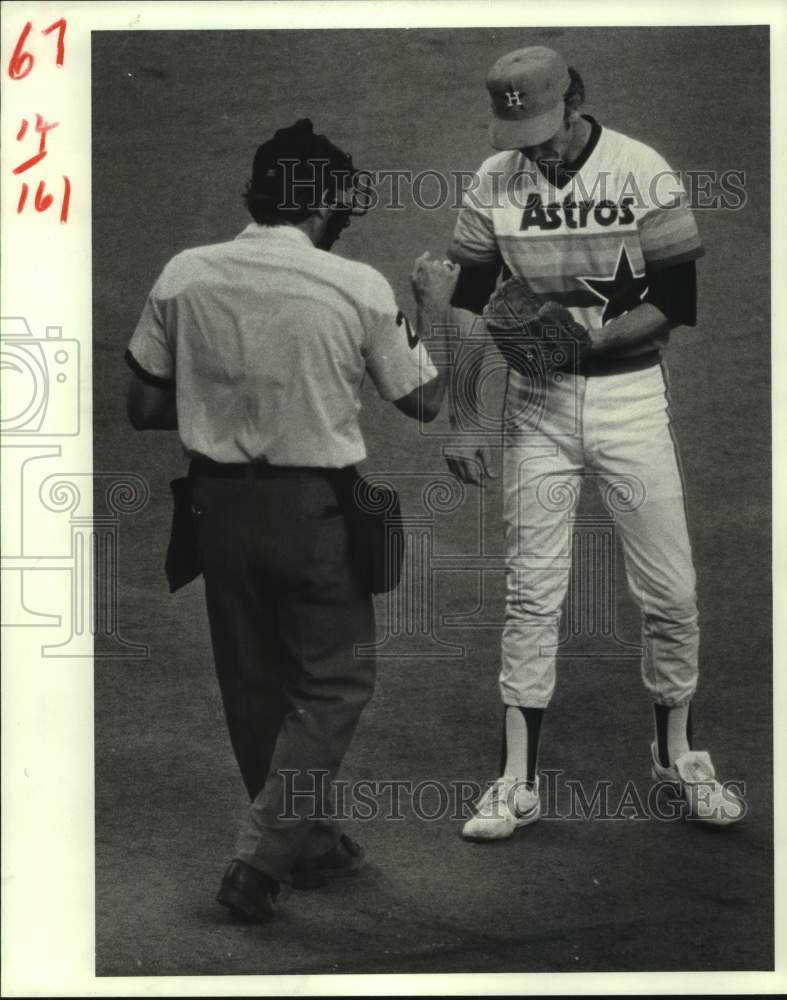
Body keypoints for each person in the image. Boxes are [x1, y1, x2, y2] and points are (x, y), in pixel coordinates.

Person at [125, 118, 458, 920]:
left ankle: (301, 843)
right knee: (335, 682)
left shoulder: (185, 272)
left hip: (214, 509)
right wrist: (434, 308)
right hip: (310, 513)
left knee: (253, 685)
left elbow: (141, 404)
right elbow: (424, 399)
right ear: (326, 208)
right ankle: (262, 861)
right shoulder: (356, 287)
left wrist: (228, 389)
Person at [445, 46, 743, 838]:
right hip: (535, 409)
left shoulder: (642, 170)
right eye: (518, 129)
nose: (532, 145)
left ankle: (677, 757)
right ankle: (515, 781)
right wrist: (465, 414)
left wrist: (582, 349)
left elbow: (674, 301)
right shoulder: (492, 179)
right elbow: (469, 299)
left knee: (671, 593)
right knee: (530, 592)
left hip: (629, 401)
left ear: (574, 99)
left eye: (543, 125)